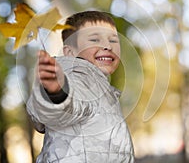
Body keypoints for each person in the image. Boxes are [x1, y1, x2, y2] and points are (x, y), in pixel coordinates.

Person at [26, 11, 134, 162]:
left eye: (113, 40)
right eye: (95, 39)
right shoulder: (80, 76)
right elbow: (73, 104)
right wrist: (57, 92)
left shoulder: (102, 87)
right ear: (70, 52)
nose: (107, 46)